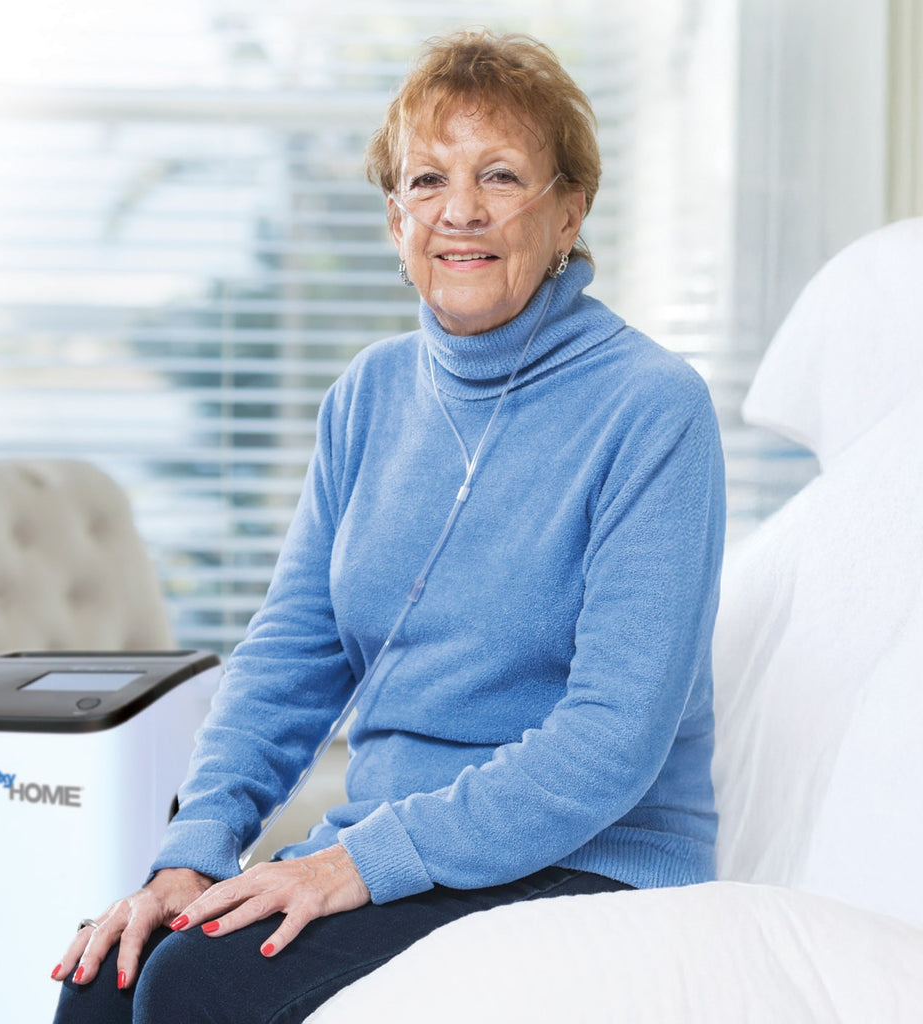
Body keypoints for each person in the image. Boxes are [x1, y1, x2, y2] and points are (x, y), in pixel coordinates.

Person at [51, 28, 726, 1023]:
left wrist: (355, 861)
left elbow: (610, 740)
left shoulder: (652, 409)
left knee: (200, 988)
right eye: (425, 181)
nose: (460, 211)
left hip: (584, 859)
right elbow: (289, 655)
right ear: (393, 218)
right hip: (388, 846)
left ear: (569, 210)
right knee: (105, 982)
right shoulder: (367, 397)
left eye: (500, 176)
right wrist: (194, 847)